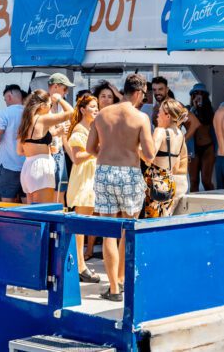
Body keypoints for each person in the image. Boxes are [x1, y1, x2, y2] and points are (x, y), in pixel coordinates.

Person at [86, 73, 155, 302]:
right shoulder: (141, 118)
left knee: (109, 231)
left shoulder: (103, 114)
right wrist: (133, 153)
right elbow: (150, 155)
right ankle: (122, 280)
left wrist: (106, 156)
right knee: (128, 228)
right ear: (137, 92)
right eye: (144, 95)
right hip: (129, 174)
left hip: (104, 171)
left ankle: (114, 288)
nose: (143, 99)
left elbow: (90, 147)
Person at [66, 94, 100, 283]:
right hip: (84, 179)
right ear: (83, 110)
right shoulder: (79, 129)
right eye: (93, 106)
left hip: (92, 177)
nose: (96, 109)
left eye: (97, 107)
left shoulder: (93, 127)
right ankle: (80, 265)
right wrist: (97, 148)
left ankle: (80, 263)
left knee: (86, 223)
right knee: (81, 224)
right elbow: (77, 157)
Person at [17, 89, 73, 204]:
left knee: (32, 211)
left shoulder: (25, 122)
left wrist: (45, 146)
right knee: (43, 210)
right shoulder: (42, 119)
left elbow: (20, 151)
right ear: (42, 105)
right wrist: (59, 99)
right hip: (41, 168)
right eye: (50, 105)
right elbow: (71, 112)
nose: (51, 107)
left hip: (28, 167)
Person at [144, 98, 188, 218]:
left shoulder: (160, 131)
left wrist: (137, 149)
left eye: (160, 112)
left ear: (167, 116)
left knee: (151, 221)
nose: (157, 115)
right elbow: (176, 166)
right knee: (164, 218)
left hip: (155, 181)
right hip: (169, 181)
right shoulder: (181, 135)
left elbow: (149, 158)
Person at [0, 84, 26, 202]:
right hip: (28, 167)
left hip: (9, 166)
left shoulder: (5, 113)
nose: (5, 102)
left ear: (9, 96)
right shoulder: (31, 113)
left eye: (5, 99)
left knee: (7, 205)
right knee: (28, 205)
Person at [47, 73, 75, 203]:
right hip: (46, 155)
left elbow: (71, 114)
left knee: (61, 191)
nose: (67, 92)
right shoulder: (43, 104)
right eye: (65, 89)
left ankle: (59, 221)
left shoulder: (60, 106)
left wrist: (73, 158)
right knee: (49, 193)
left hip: (59, 154)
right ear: (56, 87)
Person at [187, 83, 215, 192]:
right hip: (193, 150)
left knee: (206, 180)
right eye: (195, 93)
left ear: (205, 96)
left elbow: (210, 126)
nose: (198, 95)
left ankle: (212, 204)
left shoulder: (210, 111)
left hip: (208, 148)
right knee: (193, 181)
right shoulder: (189, 109)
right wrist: (194, 108)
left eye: (201, 93)